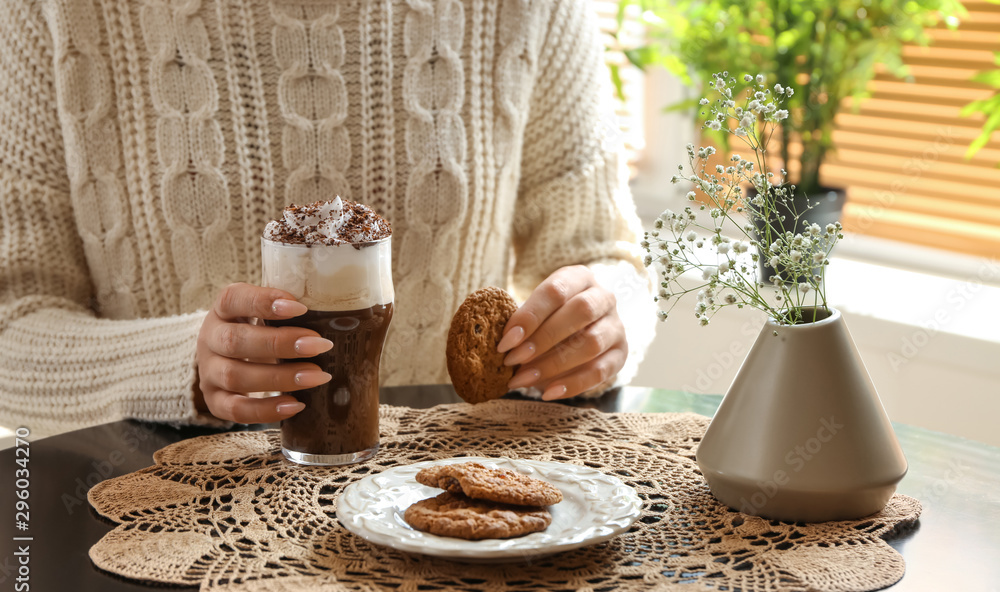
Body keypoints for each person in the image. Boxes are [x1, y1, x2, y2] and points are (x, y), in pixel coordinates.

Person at [0, 0, 656, 437]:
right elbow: (15, 323)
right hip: (152, 535)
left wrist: (604, 320)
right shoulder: (54, 14)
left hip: (450, 525)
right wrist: (184, 368)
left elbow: (605, 256)